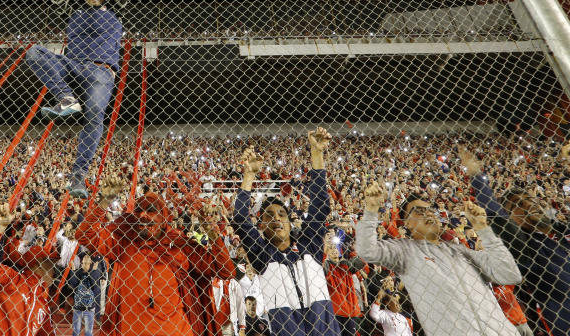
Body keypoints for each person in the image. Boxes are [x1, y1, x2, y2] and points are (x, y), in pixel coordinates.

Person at [25, 0, 129, 198]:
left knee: (95, 114)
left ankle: (78, 177)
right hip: (73, 65)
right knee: (34, 53)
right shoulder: (73, 12)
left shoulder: (115, 9)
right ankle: (66, 97)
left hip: (101, 72)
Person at [355, 180, 522, 336]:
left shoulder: (460, 251)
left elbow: (510, 275)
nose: (428, 214)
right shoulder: (405, 252)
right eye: (419, 211)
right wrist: (371, 211)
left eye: (429, 210)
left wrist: (484, 229)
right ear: (407, 223)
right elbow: (367, 250)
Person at [74, 176, 236, 336]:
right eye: (139, 210)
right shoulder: (123, 245)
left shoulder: (180, 246)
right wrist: (105, 200)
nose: (143, 215)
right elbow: (84, 234)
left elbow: (225, 271)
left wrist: (212, 234)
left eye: (150, 210)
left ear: (163, 216)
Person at [232, 129, 340, 336]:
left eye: (282, 214)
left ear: (291, 222)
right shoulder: (262, 256)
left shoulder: (310, 246)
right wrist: (249, 176)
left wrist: (317, 155)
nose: (277, 219)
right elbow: (240, 219)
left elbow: (320, 206)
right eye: (269, 216)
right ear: (261, 226)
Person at [461, 144, 570, 335]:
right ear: (511, 219)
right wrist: (477, 175)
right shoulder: (526, 246)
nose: (529, 204)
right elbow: (496, 216)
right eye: (518, 205)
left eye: (530, 199)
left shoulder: (563, 230)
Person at [0, 201, 58, 336]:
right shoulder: (12, 278)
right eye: (49, 264)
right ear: (38, 265)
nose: (53, 270)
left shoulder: (43, 302)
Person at [71, 254, 104, 336]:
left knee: (88, 332)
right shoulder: (78, 272)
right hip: (78, 307)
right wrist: (73, 270)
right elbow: (73, 284)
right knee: (76, 331)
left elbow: (94, 286)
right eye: (83, 263)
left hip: (89, 308)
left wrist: (94, 271)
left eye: (86, 263)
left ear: (90, 263)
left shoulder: (94, 272)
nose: (84, 265)